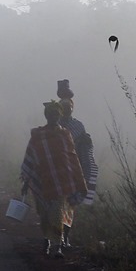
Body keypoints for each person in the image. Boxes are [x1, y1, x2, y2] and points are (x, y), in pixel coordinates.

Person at [20, 100, 88, 258]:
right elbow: (30, 157)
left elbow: (72, 158)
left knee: (57, 212)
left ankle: (57, 246)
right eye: (51, 114)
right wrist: (26, 181)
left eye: (56, 114)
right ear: (46, 116)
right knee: (44, 214)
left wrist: (77, 179)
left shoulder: (65, 134)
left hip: (60, 182)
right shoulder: (38, 136)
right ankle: (47, 240)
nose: (53, 117)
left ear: (60, 115)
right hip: (41, 181)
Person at [56, 80, 98, 249]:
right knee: (57, 205)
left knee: (70, 205)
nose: (67, 108)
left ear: (72, 107)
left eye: (69, 106)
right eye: (63, 106)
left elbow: (84, 148)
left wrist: (86, 141)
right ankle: (56, 236)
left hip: (73, 170)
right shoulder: (54, 125)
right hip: (57, 170)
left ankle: (65, 236)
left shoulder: (78, 125)